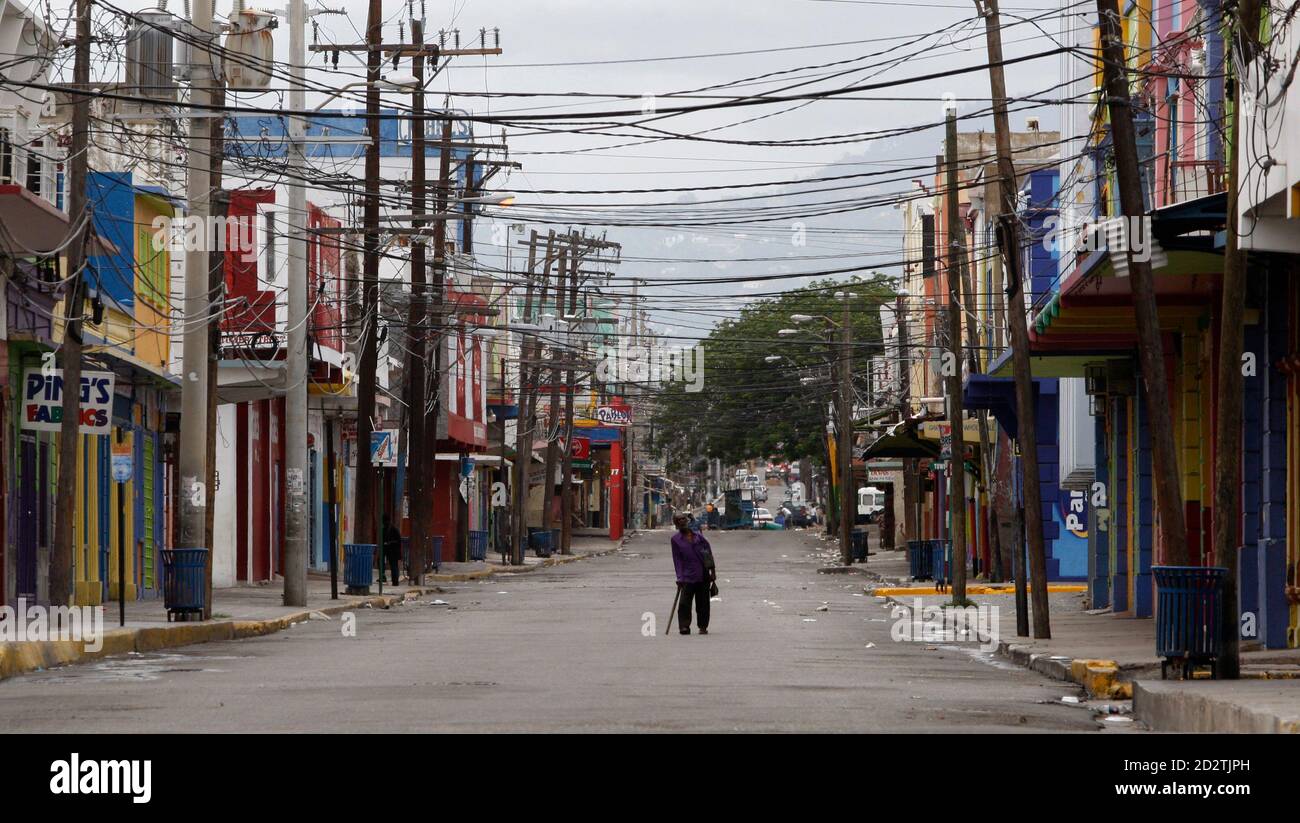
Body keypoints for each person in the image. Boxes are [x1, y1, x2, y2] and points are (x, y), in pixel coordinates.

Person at [671, 513, 715, 635]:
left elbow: (708, 554)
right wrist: (679, 577)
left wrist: (713, 571)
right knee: (684, 603)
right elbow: (677, 560)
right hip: (687, 576)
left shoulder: (699, 537)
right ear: (676, 524)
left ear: (687, 521)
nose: (681, 521)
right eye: (678, 520)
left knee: (703, 603)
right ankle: (684, 626)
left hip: (703, 574)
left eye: (683, 519)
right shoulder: (675, 540)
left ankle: (703, 626)